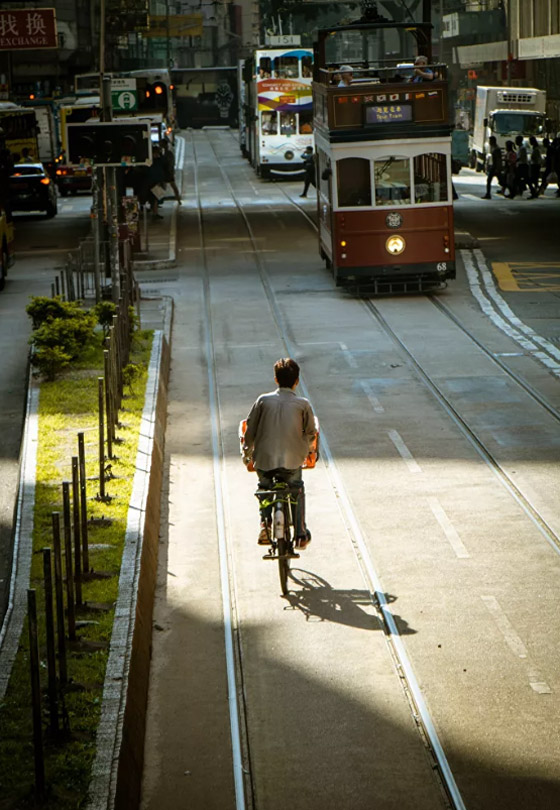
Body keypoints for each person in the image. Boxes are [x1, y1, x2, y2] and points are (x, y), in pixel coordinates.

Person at [243, 358, 317, 549]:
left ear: (276, 380)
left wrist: (247, 454)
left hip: (264, 460)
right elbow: (311, 433)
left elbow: (249, 431)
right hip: (293, 461)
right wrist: (307, 450)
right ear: (297, 381)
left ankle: (266, 523)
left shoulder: (262, 400)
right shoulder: (303, 404)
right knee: (296, 489)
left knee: (264, 485)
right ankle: (300, 534)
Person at [160, 137, 181, 204]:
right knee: (170, 186)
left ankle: (178, 199)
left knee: (163, 187)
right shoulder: (167, 153)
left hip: (166, 173)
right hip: (167, 172)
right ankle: (178, 199)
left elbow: (169, 163)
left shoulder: (166, 153)